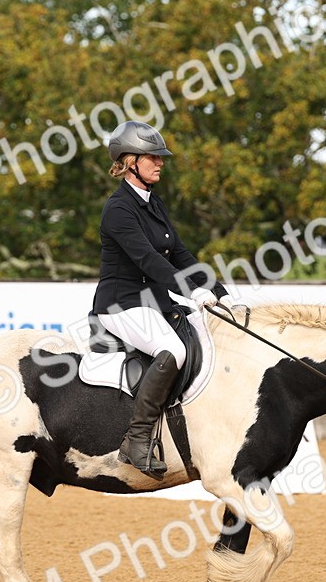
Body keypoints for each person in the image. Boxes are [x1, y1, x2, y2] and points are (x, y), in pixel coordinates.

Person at [90, 120, 237, 478]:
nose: (159, 163)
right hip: (120, 304)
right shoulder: (118, 209)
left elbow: (179, 254)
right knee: (176, 351)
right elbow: (149, 261)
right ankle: (136, 440)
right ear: (129, 162)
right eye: (151, 157)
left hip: (153, 302)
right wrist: (191, 291)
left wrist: (217, 290)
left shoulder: (154, 203)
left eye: (160, 158)